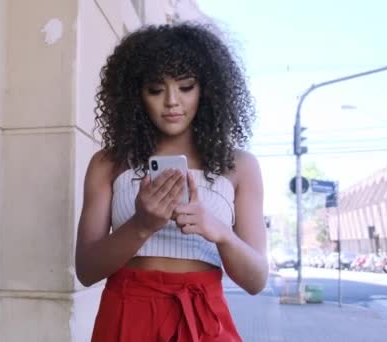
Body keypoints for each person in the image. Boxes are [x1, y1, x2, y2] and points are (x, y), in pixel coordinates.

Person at [75, 22, 267, 342]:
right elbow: (86, 270)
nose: (172, 102)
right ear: (136, 95)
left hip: (203, 318)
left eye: (186, 86)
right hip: (127, 313)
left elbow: (256, 280)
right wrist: (141, 224)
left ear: (207, 90)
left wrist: (219, 232)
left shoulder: (240, 166)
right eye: (155, 89)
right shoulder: (108, 163)